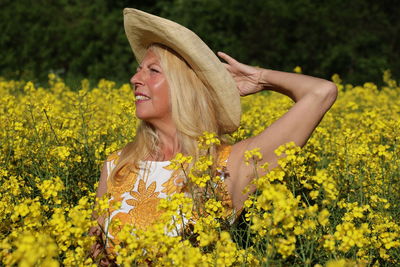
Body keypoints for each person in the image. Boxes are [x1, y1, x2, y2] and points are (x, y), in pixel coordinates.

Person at [90, 8, 338, 263]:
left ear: (184, 86)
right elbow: (95, 255)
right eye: (138, 69)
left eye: (152, 71)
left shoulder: (228, 167)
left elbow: (321, 92)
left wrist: (261, 78)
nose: (134, 79)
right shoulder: (117, 165)